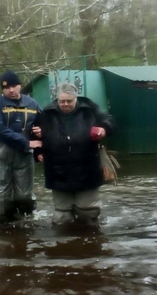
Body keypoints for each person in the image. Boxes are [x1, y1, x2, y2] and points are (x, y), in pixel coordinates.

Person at [37, 83, 114, 224]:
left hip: (87, 168)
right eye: (62, 101)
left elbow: (108, 120)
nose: (65, 104)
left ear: (76, 98)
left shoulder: (90, 109)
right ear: (57, 99)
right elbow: (37, 136)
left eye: (69, 101)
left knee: (88, 212)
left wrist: (104, 128)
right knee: (62, 216)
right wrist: (38, 152)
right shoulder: (47, 113)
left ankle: (89, 240)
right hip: (57, 170)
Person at [0, 70, 42, 223]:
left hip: (24, 156)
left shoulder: (32, 104)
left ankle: (29, 221)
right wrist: (27, 142)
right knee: (2, 198)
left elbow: (44, 123)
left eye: (14, 86)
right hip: (0, 156)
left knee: (24, 196)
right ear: (2, 89)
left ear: (20, 86)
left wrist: (41, 131)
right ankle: (2, 225)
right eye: (6, 87)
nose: (11, 90)